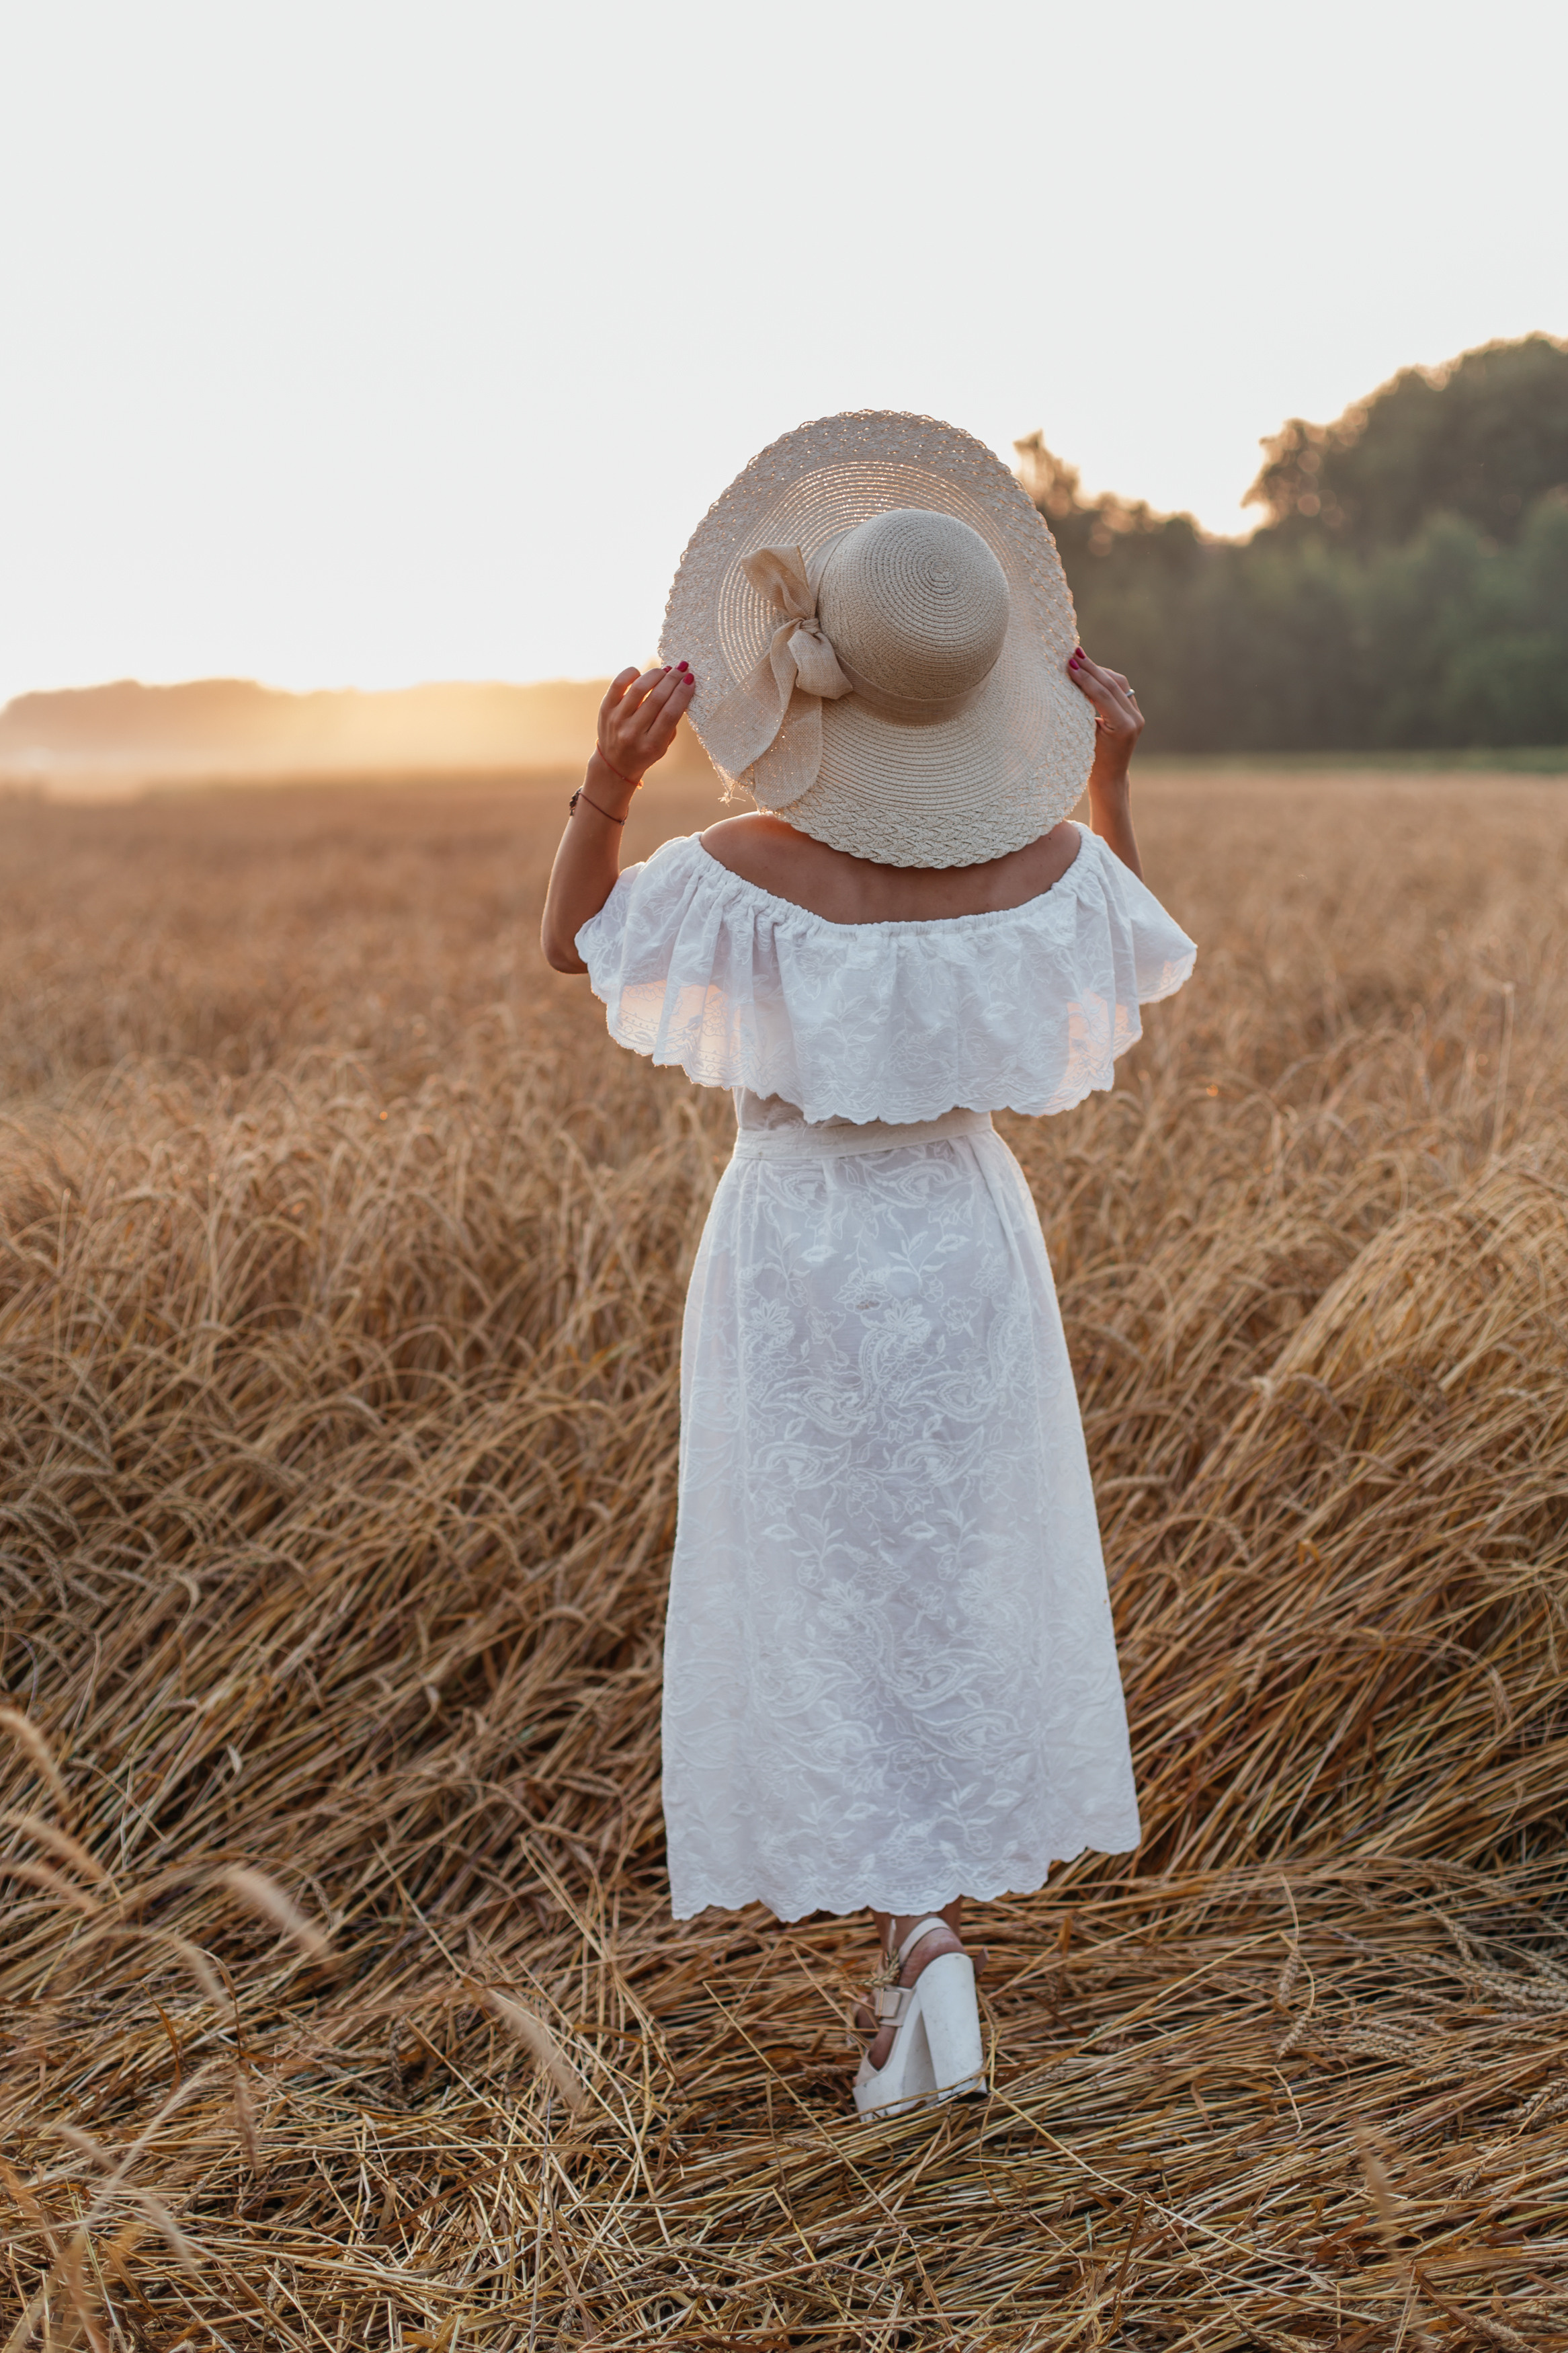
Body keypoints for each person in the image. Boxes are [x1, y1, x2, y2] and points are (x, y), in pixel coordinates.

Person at [541, 412, 1195, 2117]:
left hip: (799, 1243)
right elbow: (1125, 943)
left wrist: (608, 784)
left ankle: (918, 1948)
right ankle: (931, 1935)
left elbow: (573, 940)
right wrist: (1111, 779)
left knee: (825, 1576)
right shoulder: (1046, 860)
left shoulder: (744, 868)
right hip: (968, 1237)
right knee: (956, 1573)